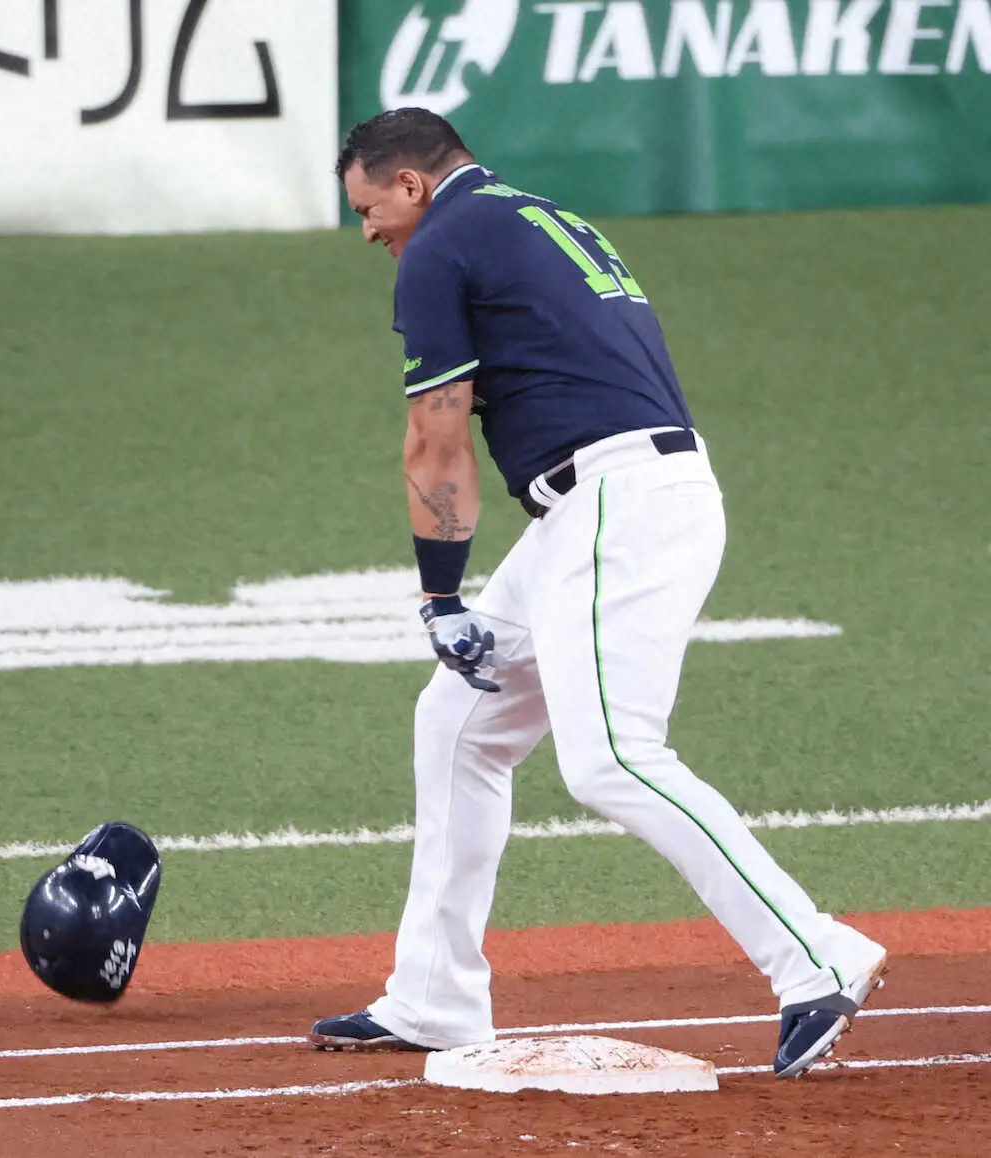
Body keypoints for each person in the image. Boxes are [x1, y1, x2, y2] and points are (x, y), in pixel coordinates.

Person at [308, 108, 886, 1078]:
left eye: (369, 208)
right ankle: (435, 993)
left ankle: (817, 953)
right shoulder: (536, 217)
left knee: (612, 757)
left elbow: (435, 436)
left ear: (410, 186)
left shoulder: (441, 248)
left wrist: (441, 596)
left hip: (622, 499)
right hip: (601, 504)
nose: (366, 230)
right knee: (458, 721)